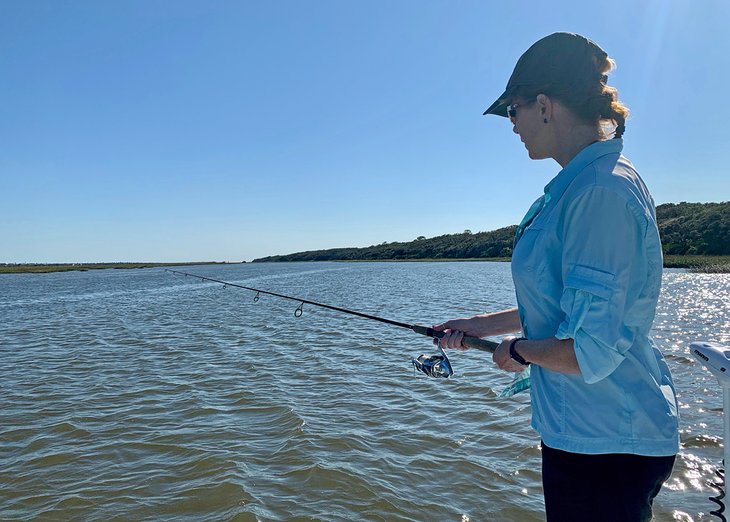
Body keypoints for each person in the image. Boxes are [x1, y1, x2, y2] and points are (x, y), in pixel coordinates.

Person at [434, 32, 679, 522]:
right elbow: (567, 308)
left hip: (607, 446)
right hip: (588, 436)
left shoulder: (599, 193)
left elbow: (589, 351)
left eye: (513, 110)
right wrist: (482, 327)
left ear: (544, 106)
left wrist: (519, 350)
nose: (512, 125)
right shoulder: (578, 188)